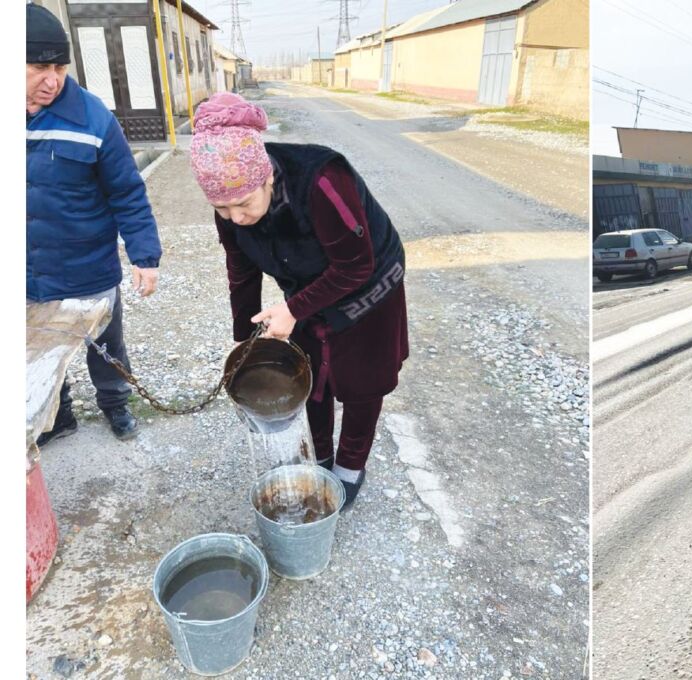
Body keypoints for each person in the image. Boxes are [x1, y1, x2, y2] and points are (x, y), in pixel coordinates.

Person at [189, 93, 408, 509]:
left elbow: (355, 266)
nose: (236, 217)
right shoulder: (232, 208)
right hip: (307, 283)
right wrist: (245, 337)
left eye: (243, 203)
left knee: (363, 382)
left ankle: (349, 467)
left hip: (371, 278)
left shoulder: (322, 180)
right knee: (311, 374)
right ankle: (320, 456)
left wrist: (292, 309)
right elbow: (242, 271)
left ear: (267, 177)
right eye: (221, 207)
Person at [27, 4, 161, 445]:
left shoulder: (92, 117)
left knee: (105, 346)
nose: (54, 79)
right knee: (42, 351)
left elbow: (127, 190)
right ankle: (57, 414)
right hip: (28, 272)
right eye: (40, 66)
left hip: (88, 268)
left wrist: (144, 255)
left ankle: (116, 404)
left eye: (60, 66)